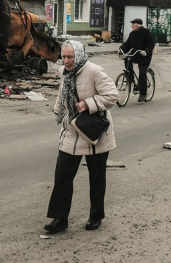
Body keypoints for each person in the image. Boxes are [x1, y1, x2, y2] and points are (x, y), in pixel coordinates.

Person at [44, 40, 117, 234]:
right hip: (72, 131)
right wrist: (57, 113)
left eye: (70, 57)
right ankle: (59, 219)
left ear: (79, 54)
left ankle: (96, 216)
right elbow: (62, 95)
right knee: (62, 176)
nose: (66, 61)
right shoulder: (64, 72)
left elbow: (112, 95)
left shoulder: (94, 71)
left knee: (97, 178)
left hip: (94, 133)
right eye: (64, 57)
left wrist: (88, 104)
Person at [120, 18, 155, 103]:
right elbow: (128, 44)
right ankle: (130, 79)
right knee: (127, 60)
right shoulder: (132, 34)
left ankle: (143, 94)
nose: (132, 26)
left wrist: (146, 51)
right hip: (136, 54)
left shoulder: (146, 32)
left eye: (133, 24)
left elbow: (151, 43)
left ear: (138, 25)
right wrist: (121, 49)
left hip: (144, 56)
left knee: (142, 73)